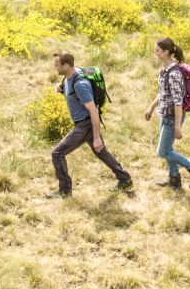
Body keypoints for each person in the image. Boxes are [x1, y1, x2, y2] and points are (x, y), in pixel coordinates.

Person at [48, 51, 132, 198]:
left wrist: (96, 136)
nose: (55, 68)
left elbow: (93, 110)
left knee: (57, 153)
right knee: (101, 152)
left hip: (85, 125)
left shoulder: (80, 84)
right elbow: (75, 95)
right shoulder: (70, 77)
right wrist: (62, 90)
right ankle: (124, 179)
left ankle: (64, 190)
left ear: (66, 65)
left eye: (57, 65)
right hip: (84, 123)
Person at [144, 37, 190, 189]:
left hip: (173, 118)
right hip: (165, 115)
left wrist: (177, 127)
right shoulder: (165, 69)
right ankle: (174, 178)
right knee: (168, 149)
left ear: (166, 52)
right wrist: (151, 108)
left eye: (157, 51)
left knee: (162, 151)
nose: (155, 53)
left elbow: (178, 102)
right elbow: (163, 93)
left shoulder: (173, 74)